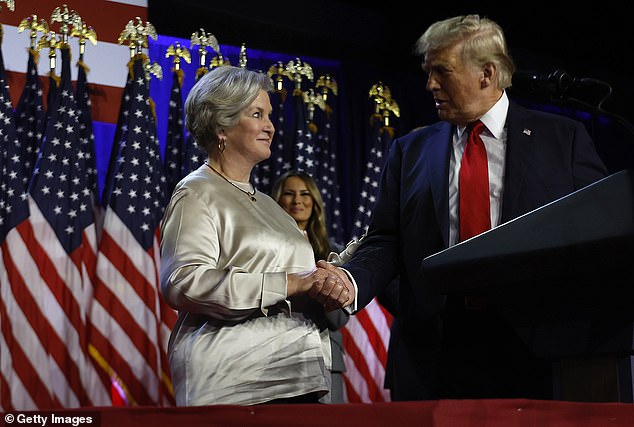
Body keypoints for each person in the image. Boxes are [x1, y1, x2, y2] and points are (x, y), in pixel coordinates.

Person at [338, 14, 609, 401]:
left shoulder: (563, 141)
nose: (430, 84)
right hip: (433, 353)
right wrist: (354, 281)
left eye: (442, 72)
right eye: (428, 72)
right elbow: (386, 240)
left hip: (533, 351)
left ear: (487, 73)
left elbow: (596, 237)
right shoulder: (409, 151)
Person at [159, 66, 353, 406]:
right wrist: (291, 284)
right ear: (222, 126)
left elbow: (300, 282)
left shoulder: (269, 205)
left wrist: (326, 282)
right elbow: (183, 282)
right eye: (257, 114)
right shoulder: (196, 192)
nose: (270, 126)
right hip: (235, 384)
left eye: (270, 115)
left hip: (300, 380)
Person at [271, 170, 350, 404]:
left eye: (305, 194)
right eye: (289, 193)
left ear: (314, 202)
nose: (297, 200)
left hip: (326, 359)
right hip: (276, 358)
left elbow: (339, 320)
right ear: (277, 201)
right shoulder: (263, 251)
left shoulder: (333, 253)